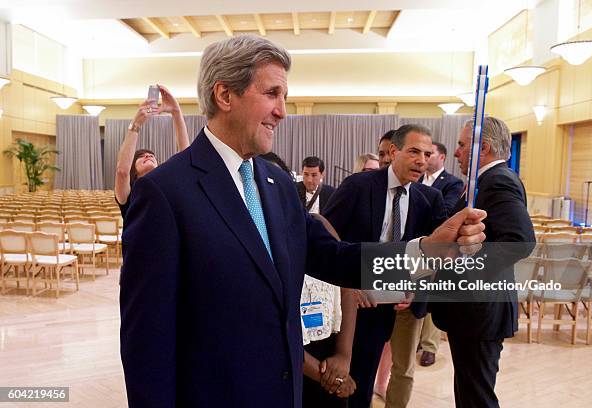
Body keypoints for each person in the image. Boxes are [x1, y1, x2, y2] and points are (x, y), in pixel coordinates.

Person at [120, 35, 487, 407]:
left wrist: (424, 251)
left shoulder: (277, 183)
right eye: (272, 94)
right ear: (225, 95)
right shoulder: (164, 192)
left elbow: (335, 257)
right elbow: (147, 339)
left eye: (284, 96)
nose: (282, 111)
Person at [323, 124, 447, 408]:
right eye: (414, 151)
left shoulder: (429, 200)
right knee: (335, 381)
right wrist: (349, 287)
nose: (421, 160)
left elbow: (433, 257)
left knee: (363, 382)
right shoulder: (358, 186)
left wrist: (416, 289)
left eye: (427, 154)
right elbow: (325, 237)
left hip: (386, 311)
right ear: (394, 151)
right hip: (347, 306)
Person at [429, 117, 535, 408]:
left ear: (483, 148)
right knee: (469, 392)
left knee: (477, 397)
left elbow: (520, 240)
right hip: (473, 311)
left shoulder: (498, 181)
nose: (456, 152)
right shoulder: (486, 181)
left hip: (481, 310)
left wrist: (465, 270)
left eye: (462, 145)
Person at [301, 214, 358, 407]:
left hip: (329, 350)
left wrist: (343, 357)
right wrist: (329, 377)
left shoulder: (317, 223)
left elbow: (346, 284)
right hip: (290, 358)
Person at [417, 141, 464, 367]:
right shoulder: (417, 178)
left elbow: (446, 211)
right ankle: (419, 340)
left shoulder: (453, 183)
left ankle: (430, 346)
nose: (425, 158)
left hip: (439, 248)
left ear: (442, 157)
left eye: (430, 154)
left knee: (431, 296)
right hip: (418, 245)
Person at [114, 85, 189, 218]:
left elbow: (185, 157)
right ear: (134, 171)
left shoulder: (166, 185)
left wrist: (176, 112)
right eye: (141, 156)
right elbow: (122, 171)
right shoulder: (129, 193)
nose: (148, 155)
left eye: (151, 156)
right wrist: (136, 124)